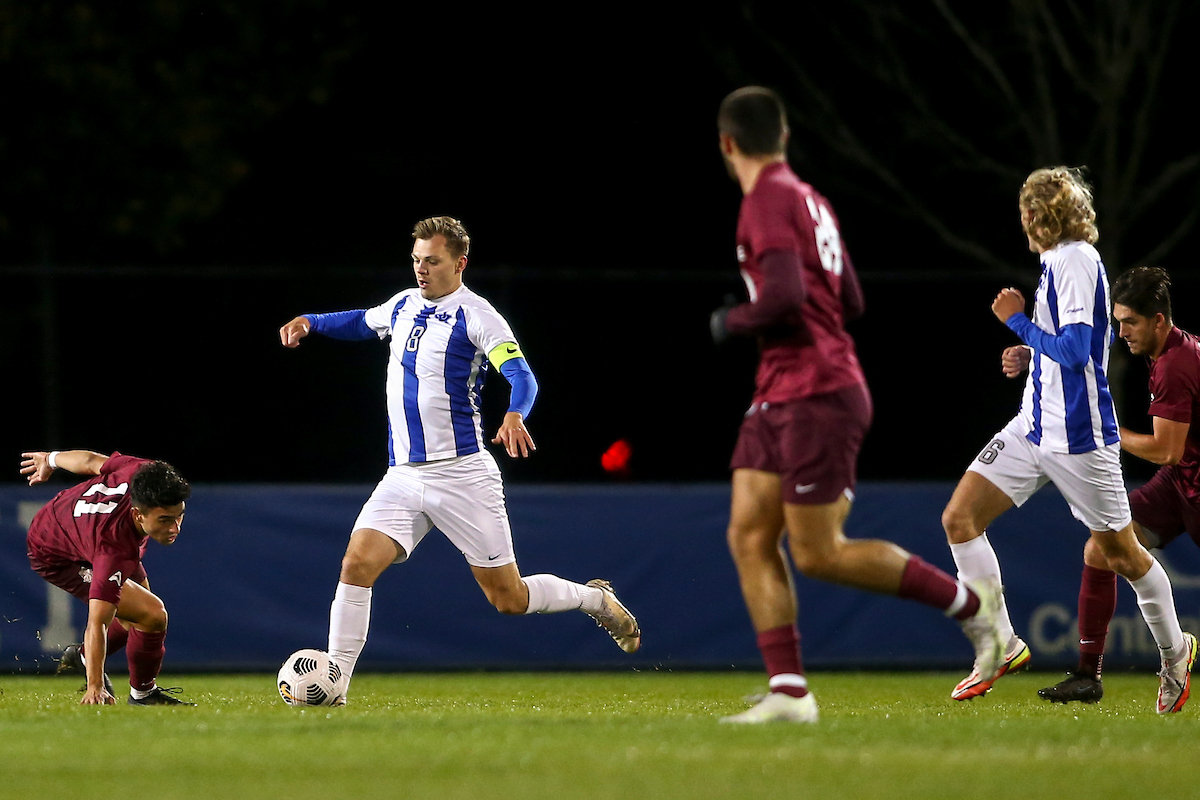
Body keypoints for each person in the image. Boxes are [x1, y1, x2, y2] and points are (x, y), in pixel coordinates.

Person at [709, 86, 1005, 725]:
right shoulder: (810, 198)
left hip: (816, 392)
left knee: (818, 552)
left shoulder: (766, 199)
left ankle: (976, 610)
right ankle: (789, 692)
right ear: (783, 137)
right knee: (749, 533)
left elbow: (784, 299)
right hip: (783, 390)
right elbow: (852, 303)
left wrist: (733, 320)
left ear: (728, 143)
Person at [278, 216, 640, 702]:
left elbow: (523, 376)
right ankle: (335, 683)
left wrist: (515, 414)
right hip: (403, 475)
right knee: (356, 564)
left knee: (508, 599)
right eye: (416, 260)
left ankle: (595, 598)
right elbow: (362, 321)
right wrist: (312, 322)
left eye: (432, 261)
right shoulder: (403, 304)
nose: (421, 269)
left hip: (463, 474)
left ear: (459, 263)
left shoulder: (478, 315)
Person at [941, 169, 1196, 713]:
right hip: (1033, 426)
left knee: (1123, 554)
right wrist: (1032, 356)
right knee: (959, 519)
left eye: (1025, 213)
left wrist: (1017, 326)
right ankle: (999, 646)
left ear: (1037, 215)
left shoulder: (1077, 260)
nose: (1023, 222)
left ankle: (1176, 653)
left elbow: (1080, 352)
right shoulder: (1058, 260)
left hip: (1079, 438)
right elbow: (1069, 351)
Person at [1035, 266, 1200, 703]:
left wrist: (1108, 431)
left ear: (1159, 321)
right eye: (1118, 320)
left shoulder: (1176, 365)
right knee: (1101, 549)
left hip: (1188, 478)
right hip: (1180, 484)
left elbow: (1167, 450)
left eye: (1130, 322)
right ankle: (1088, 674)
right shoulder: (1168, 352)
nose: (1120, 331)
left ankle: (1176, 658)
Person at [20, 449, 194, 706]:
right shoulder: (112, 548)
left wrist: (51, 459)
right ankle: (143, 695)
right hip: (55, 552)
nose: (175, 527)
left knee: (140, 618)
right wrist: (95, 687)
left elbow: (91, 462)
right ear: (138, 514)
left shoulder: (144, 472)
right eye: (165, 519)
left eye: (179, 515)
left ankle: (84, 658)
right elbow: (97, 622)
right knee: (152, 614)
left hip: (74, 521)